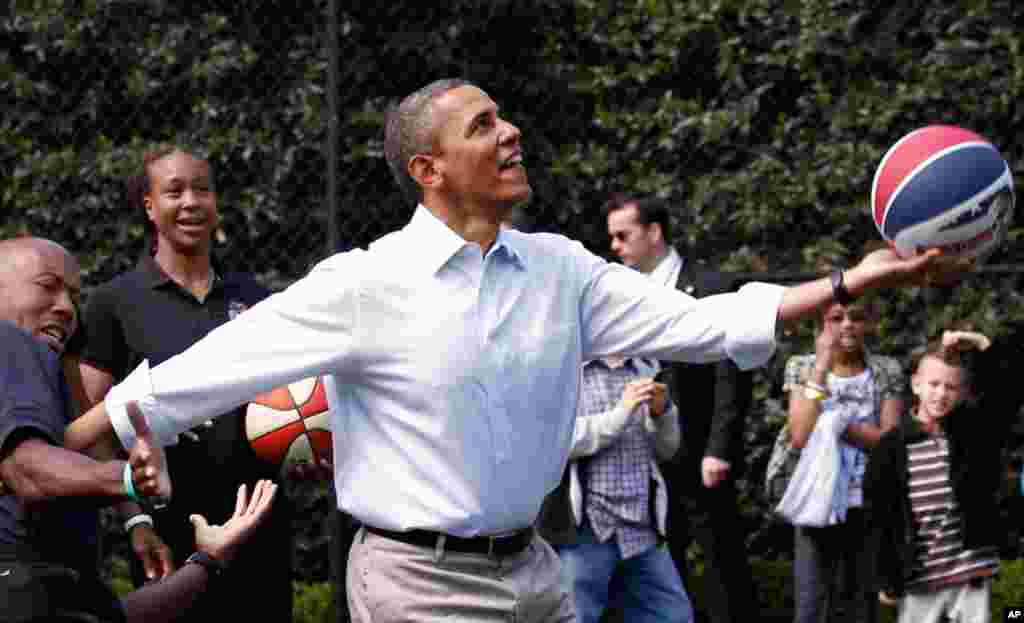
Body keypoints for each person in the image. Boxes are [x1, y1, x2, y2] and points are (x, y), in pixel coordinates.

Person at [65, 78, 944, 623]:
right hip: (416, 586)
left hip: (536, 571)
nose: (511, 131)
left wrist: (849, 282)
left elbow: (705, 323)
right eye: (483, 125)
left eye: (504, 117)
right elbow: (215, 365)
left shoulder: (562, 270)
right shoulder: (366, 282)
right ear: (428, 170)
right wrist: (58, 447)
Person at [0, 236, 278, 623]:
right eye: (47, 286)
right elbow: (28, 469)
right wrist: (129, 478)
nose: (66, 307)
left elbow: (111, 617)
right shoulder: (11, 342)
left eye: (74, 297)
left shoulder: (50, 376)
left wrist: (207, 559)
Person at [75, 149, 295, 621]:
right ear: (149, 206)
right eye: (174, 191)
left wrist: (307, 445)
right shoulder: (114, 303)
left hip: (259, 526)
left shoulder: (254, 298)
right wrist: (135, 519)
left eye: (202, 189)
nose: (191, 201)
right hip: (168, 535)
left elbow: (290, 400)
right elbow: (91, 426)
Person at [605, 195, 757, 623]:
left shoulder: (710, 286)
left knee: (722, 559)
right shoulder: (622, 294)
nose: (615, 246)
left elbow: (731, 375)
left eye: (623, 235)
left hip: (701, 450)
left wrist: (719, 448)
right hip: (644, 454)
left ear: (654, 232)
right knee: (661, 566)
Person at [866, 328, 1021, 623]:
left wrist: (981, 343)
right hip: (920, 578)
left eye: (950, 387)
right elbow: (881, 518)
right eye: (934, 384)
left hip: (970, 573)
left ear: (961, 392)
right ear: (916, 385)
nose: (941, 394)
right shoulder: (891, 449)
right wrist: (887, 577)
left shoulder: (972, 433)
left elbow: (1006, 393)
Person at [537, 357, 691, 623]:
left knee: (674, 616)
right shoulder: (564, 367)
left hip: (641, 527)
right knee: (573, 618)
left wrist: (663, 414)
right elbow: (555, 442)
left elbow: (667, 449)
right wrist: (620, 414)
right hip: (586, 529)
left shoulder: (647, 367)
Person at [782, 299, 905, 623]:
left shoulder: (886, 369)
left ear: (869, 324)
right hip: (817, 498)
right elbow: (801, 434)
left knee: (861, 604)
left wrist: (836, 424)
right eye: (836, 318)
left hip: (867, 498)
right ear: (820, 326)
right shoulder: (802, 366)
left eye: (856, 317)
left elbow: (890, 442)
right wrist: (821, 366)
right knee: (811, 603)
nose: (847, 324)